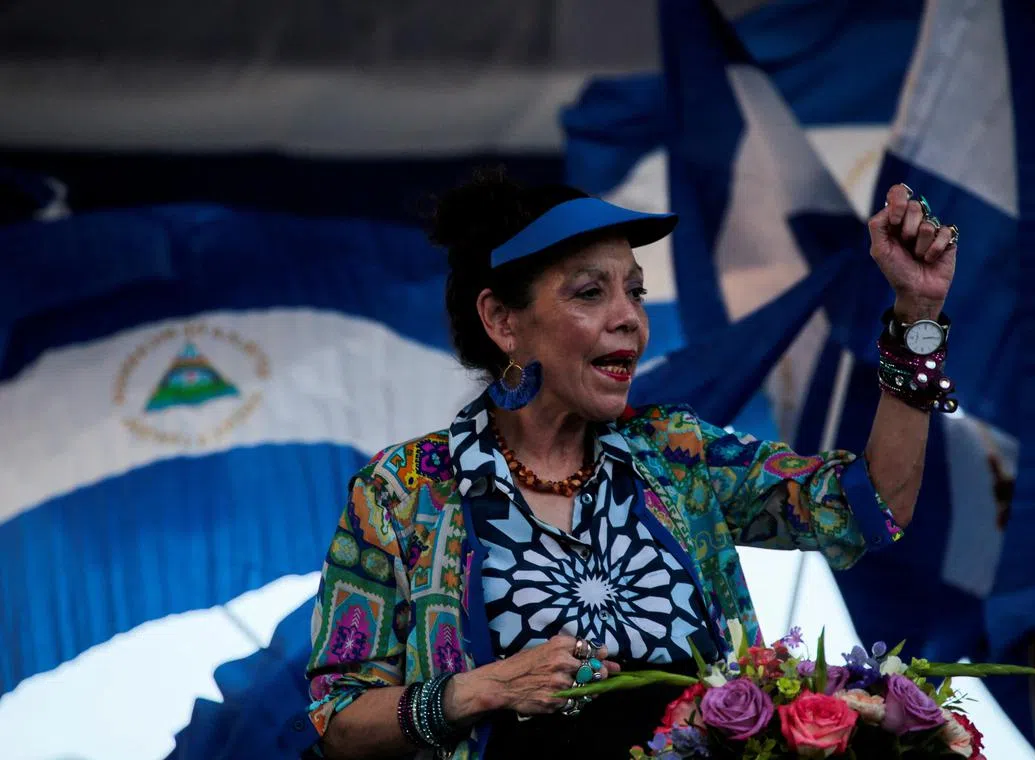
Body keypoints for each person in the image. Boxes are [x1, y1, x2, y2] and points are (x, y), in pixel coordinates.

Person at [304, 168, 959, 759]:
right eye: (591, 293)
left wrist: (918, 315)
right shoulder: (403, 490)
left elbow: (870, 505)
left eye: (637, 293)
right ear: (503, 321)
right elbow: (339, 722)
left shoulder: (676, 453)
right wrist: (476, 691)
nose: (630, 321)